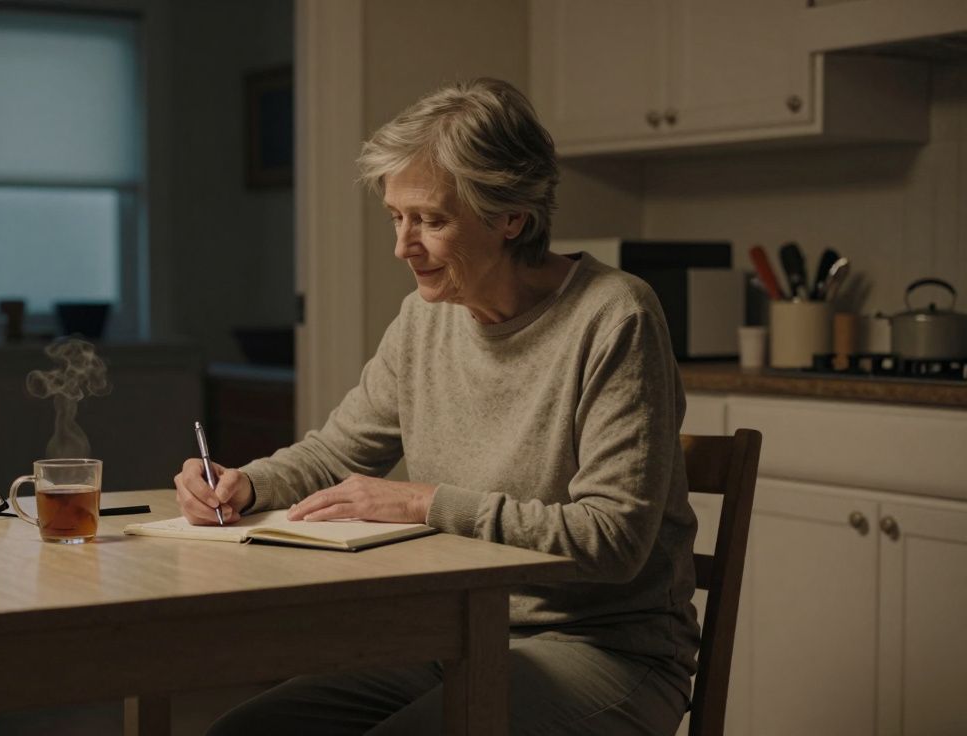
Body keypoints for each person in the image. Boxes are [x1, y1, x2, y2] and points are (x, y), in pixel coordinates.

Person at [173, 77, 698, 735]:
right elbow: (337, 451)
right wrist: (247, 484)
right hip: (458, 635)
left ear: (512, 216)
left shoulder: (614, 317)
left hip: (609, 651)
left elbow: (612, 541)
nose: (402, 246)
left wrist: (423, 503)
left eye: (431, 219)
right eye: (397, 216)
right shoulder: (424, 321)